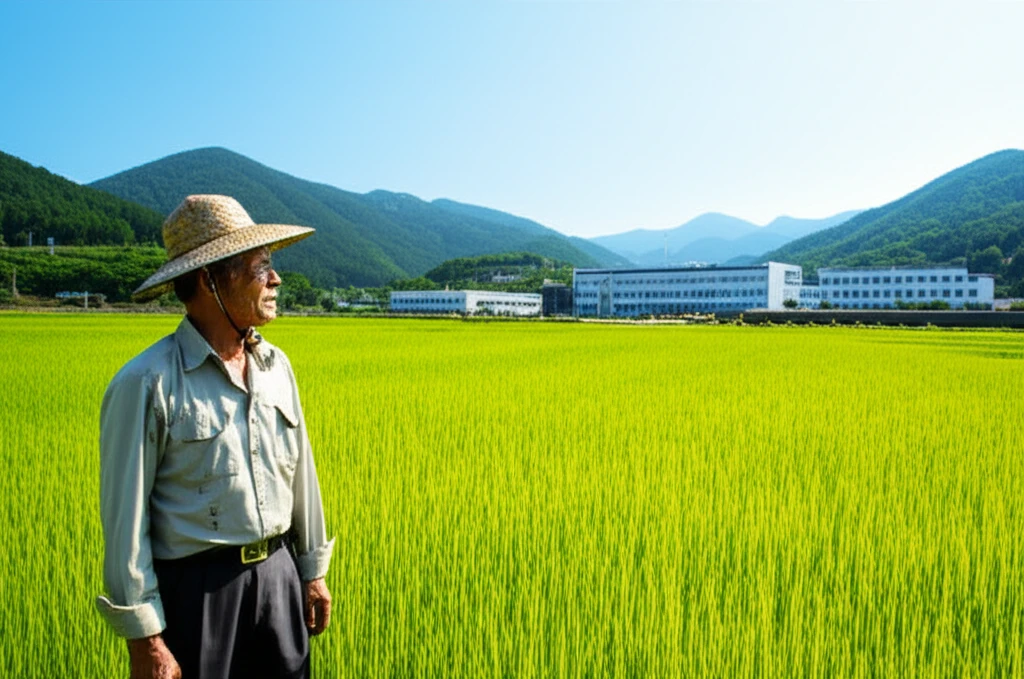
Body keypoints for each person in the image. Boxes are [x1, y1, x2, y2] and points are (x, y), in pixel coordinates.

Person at [97, 195, 334, 679]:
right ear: (209, 280)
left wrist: (312, 571)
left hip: (279, 577)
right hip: (198, 594)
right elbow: (126, 519)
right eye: (260, 267)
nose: (276, 279)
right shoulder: (147, 382)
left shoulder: (276, 367)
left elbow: (302, 475)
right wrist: (145, 638)